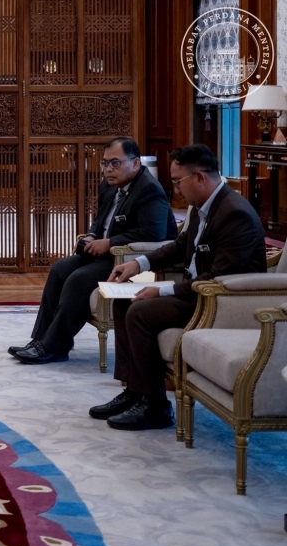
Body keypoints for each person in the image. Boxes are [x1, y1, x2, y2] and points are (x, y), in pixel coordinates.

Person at [90, 144, 268, 430]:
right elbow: (181, 245)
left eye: (177, 181)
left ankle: (155, 407)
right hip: (196, 292)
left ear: (199, 177)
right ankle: (135, 391)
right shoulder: (202, 206)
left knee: (141, 312)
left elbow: (221, 278)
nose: (175, 189)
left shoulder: (235, 214)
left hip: (221, 301)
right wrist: (139, 264)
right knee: (123, 301)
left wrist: (162, 290)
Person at [10, 137, 176, 364]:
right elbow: (100, 220)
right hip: (106, 253)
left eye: (115, 163)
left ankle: (54, 347)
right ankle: (40, 340)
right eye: (105, 163)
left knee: (79, 279)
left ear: (135, 163)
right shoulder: (109, 184)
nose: (108, 169)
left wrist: (109, 243)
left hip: (130, 259)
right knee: (60, 268)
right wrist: (91, 235)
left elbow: (154, 232)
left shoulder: (149, 190)